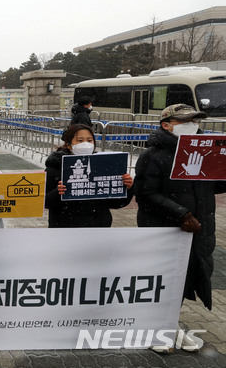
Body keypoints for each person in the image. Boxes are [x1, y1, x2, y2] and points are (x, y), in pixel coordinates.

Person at [135, 104, 226, 353]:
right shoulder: (153, 155)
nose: (193, 125)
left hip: (199, 229)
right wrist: (181, 213)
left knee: (184, 279)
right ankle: (155, 330)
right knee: (160, 279)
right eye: (185, 121)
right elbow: (145, 193)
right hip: (164, 229)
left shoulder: (205, 151)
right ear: (167, 125)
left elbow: (215, 187)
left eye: (196, 121)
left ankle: (170, 325)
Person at [45, 124, 134, 228]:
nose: (85, 144)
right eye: (80, 140)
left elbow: (116, 203)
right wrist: (57, 192)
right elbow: (44, 202)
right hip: (65, 228)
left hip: (98, 227)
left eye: (89, 140)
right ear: (69, 145)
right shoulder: (55, 168)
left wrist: (127, 188)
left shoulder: (103, 166)